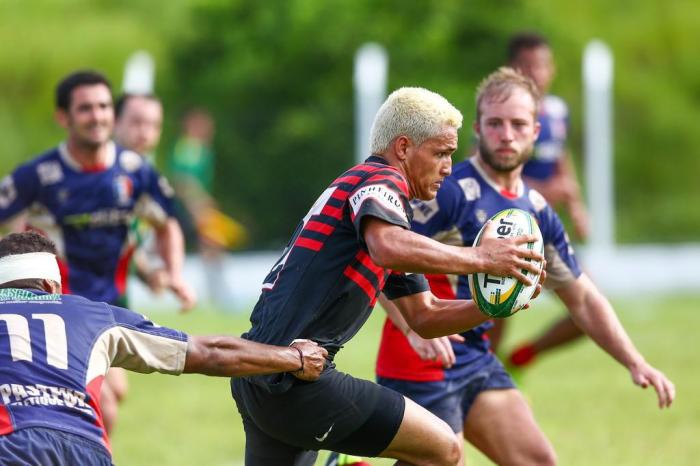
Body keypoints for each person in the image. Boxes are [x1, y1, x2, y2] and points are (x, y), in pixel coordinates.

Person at [374, 68, 675, 465]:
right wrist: (411, 326)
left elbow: (582, 298)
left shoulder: (536, 211)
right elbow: (378, 253)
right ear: (478, 128)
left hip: (477, 358)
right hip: (423, 357)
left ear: (536, 130)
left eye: (518, 124)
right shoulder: (447, 191)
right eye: (495, 123)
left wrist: (636, 362)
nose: (506, 134)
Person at [230, 86, 545, 466]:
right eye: (441, 153)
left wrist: (495, 304)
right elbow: (387, 247)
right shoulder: (378, 180)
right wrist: (481, 259)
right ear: (403, 148)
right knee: (443, 450)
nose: (448, 166)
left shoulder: (385, 217)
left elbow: (425, 317)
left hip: (262, 369)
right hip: (294, 376)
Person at [0, 231, 328, 465]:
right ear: (51, 286)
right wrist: (293, 357)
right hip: (85, 448)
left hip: (10, 443)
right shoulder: (96, 314)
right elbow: (210, 353)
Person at [0, 70, 196, 434]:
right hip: (56, 307)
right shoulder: (39, 175)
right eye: (86, 108)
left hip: (111, 305)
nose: (98, 116)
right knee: (102, 400)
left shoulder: (136, 172)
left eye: (104, 106)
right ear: (64, 117)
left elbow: (167, 224)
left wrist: (174, 274)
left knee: (110, 396)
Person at [496, 32, 589, 368]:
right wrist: (546, 191)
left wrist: (576, 205)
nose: (536, 73)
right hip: (505, 233)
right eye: (527, 66)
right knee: (495, 315)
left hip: (545, 233)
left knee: (589, 310)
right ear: (512, 69)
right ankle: (482, 391)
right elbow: (484, 171)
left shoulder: (557, 111)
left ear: (553, 69)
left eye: (542, 65)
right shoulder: (502, 114)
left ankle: (520, 359)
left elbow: (560, 158)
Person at [169, 108, 245, 310]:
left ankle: (216, 296)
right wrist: (199, 204)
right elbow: (183, 181)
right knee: (212, 248)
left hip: (193, 206)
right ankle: (220, 297)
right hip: (190, 208)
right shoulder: (190, 148)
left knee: (211, 248)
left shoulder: (195, 147)